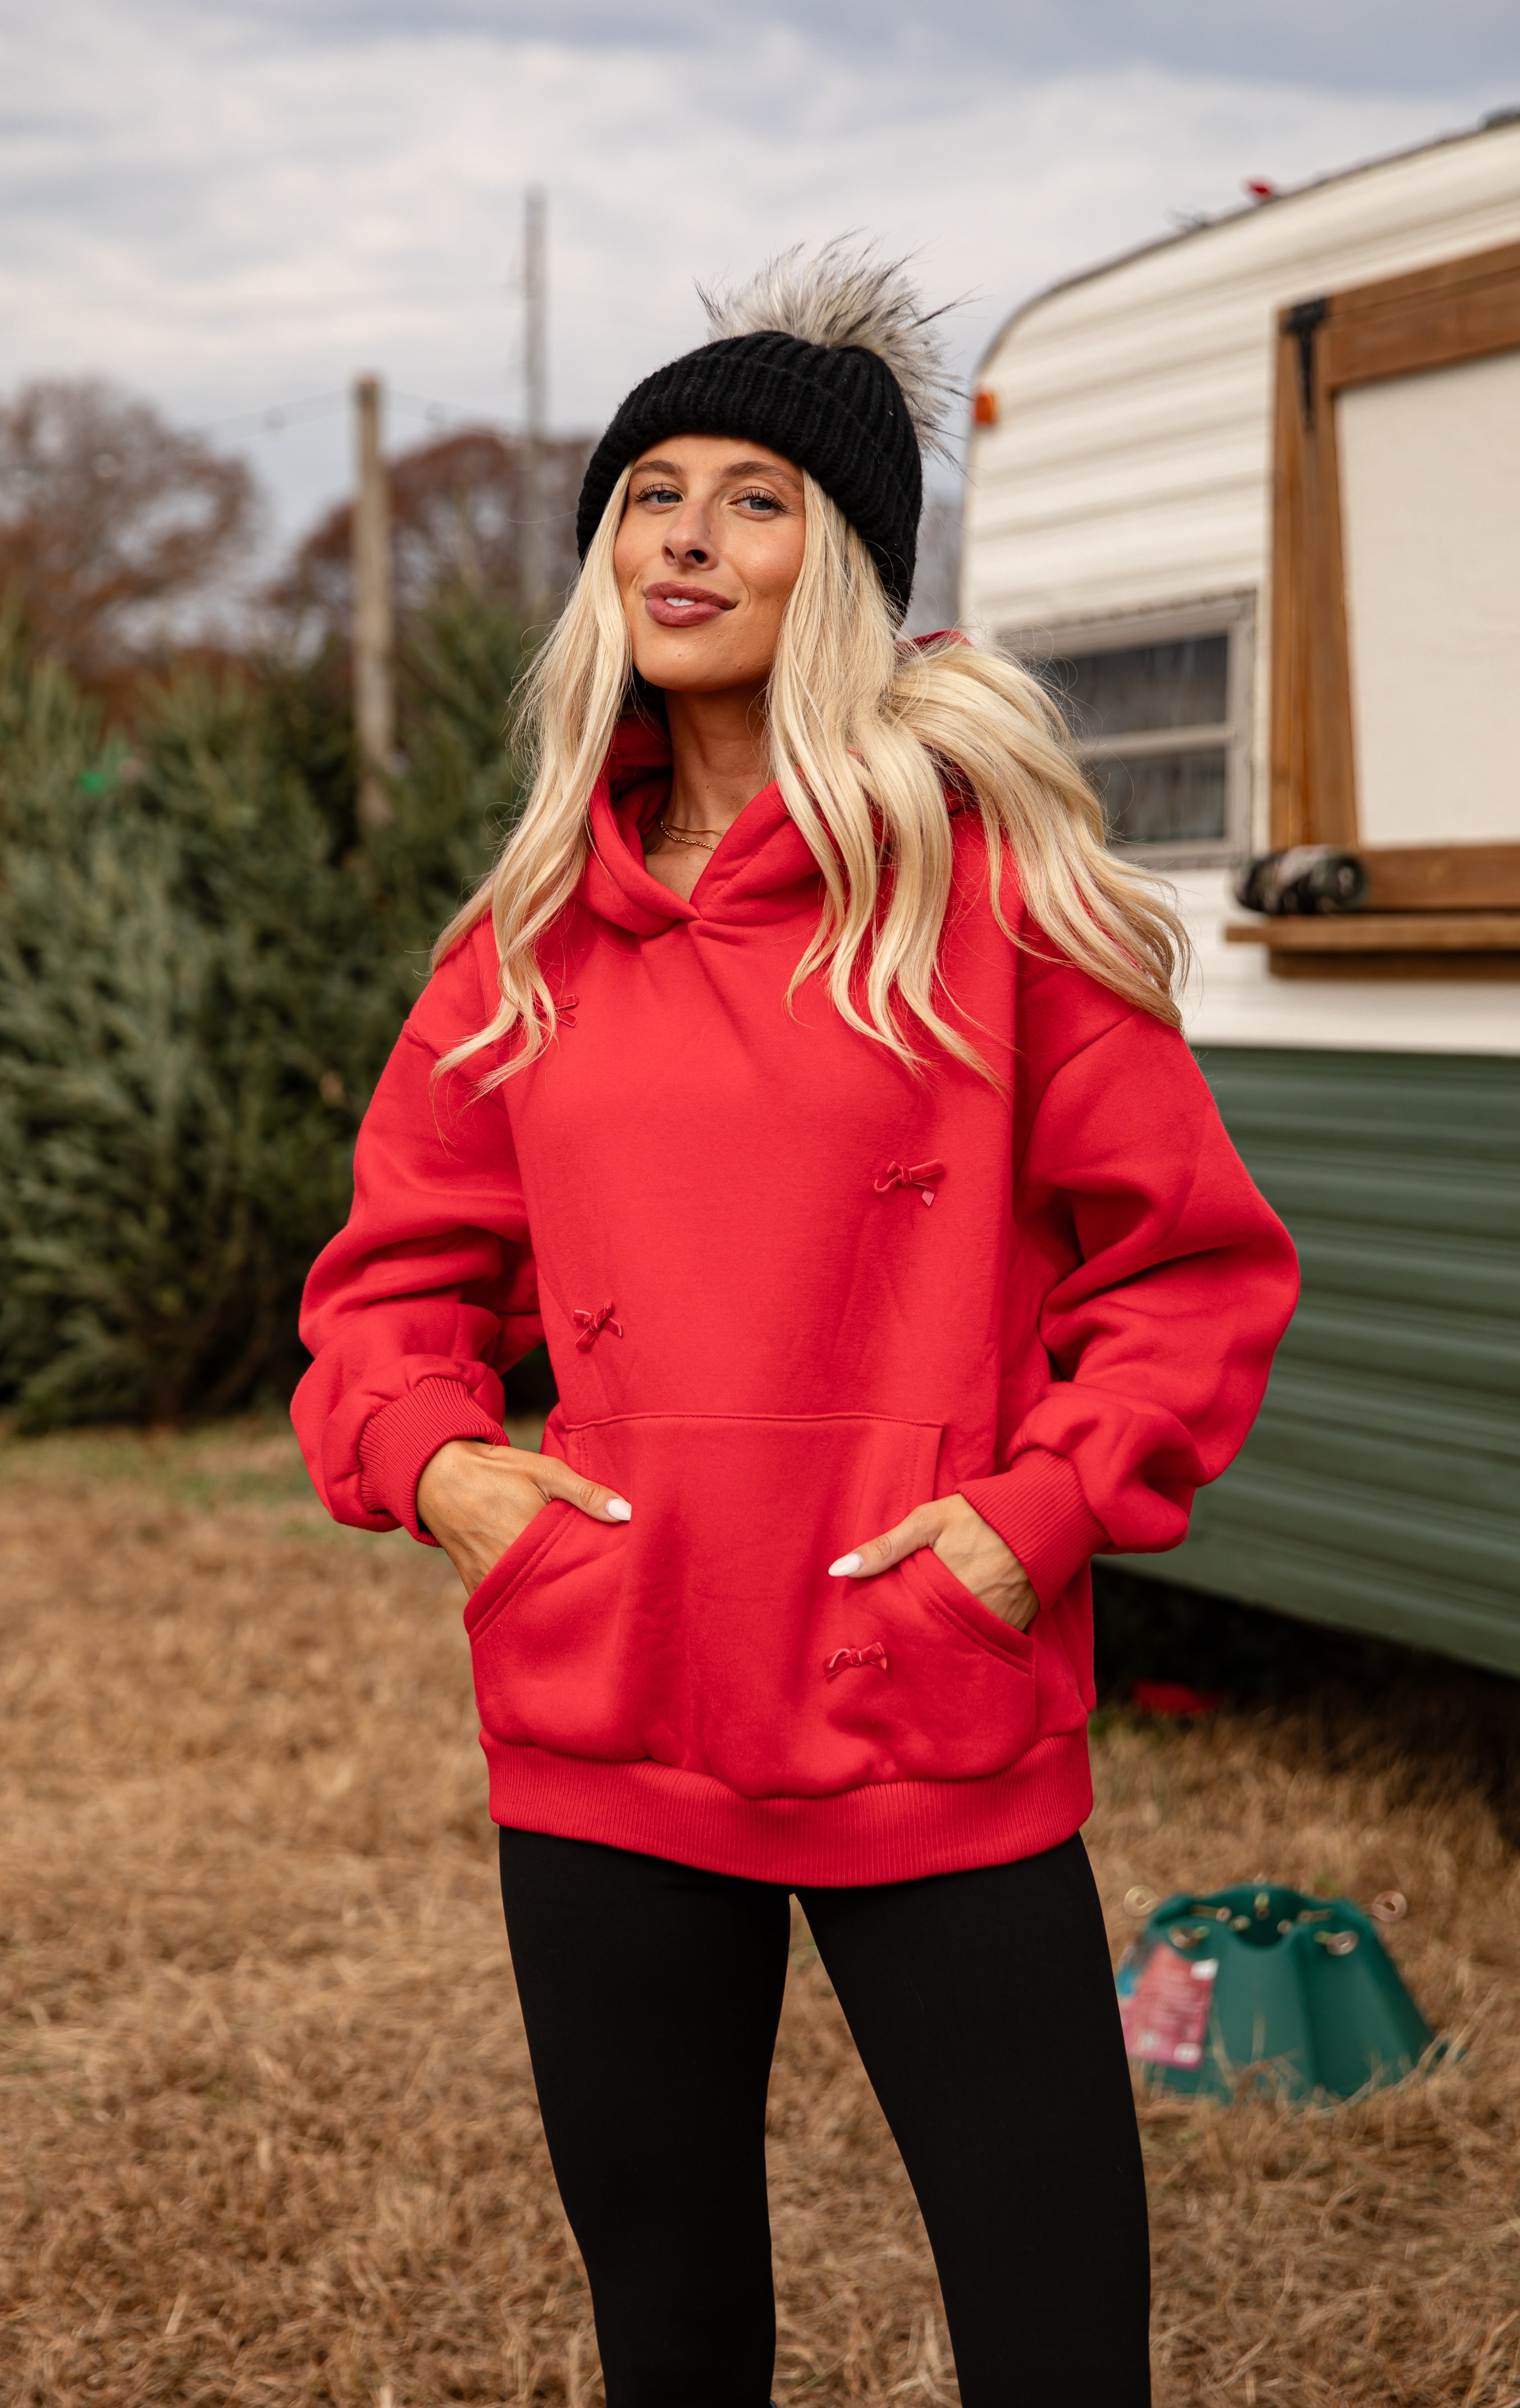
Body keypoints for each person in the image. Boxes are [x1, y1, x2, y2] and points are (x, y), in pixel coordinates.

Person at [294, 242, 1299, 2408]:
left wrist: (1022, 1525)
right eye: (654, 486)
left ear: (839, 560)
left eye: (756, 494)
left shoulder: (987, 896)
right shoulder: (529, 944)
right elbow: (389, 1290)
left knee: (1054, 2336)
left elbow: (1188, 1276)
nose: (687, 531)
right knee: (667, 2327)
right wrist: (454, 1471)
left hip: (920, 1702)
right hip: (607, 1704)